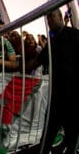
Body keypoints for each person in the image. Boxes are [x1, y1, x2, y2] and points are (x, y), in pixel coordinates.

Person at [28, 9, 79, 154]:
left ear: (61, 17)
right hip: (56, 98)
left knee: (72, 139)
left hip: (74, 97)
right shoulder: (52, 41)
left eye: (51, 16)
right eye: (47, 18)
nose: (49, 21)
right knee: (47, 138)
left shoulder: (75, 35)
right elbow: (36, 62)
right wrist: (15, 66)